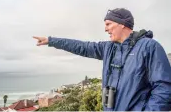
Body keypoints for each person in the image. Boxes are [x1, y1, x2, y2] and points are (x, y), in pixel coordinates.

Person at [33, 8, 171, 111]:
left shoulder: (149, 47)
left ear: (122, 24)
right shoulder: (108, 48)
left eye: (109, 24)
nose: (105, 29)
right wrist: (51, 40)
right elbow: (81, 46)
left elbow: (164, 87)